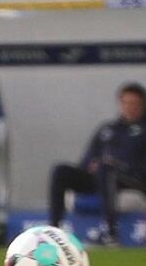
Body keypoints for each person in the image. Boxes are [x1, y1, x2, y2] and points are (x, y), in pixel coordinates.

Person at [48, 82, 146, 244]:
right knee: (60, 171)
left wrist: (117, 165)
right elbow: (86, 161)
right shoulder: (107, 129)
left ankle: (110, 233)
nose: (130, 108)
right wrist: (91, 165)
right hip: (101, 176)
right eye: (126, 103)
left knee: (107, 169)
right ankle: (53, 232)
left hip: (132, 181)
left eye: (134, 104)